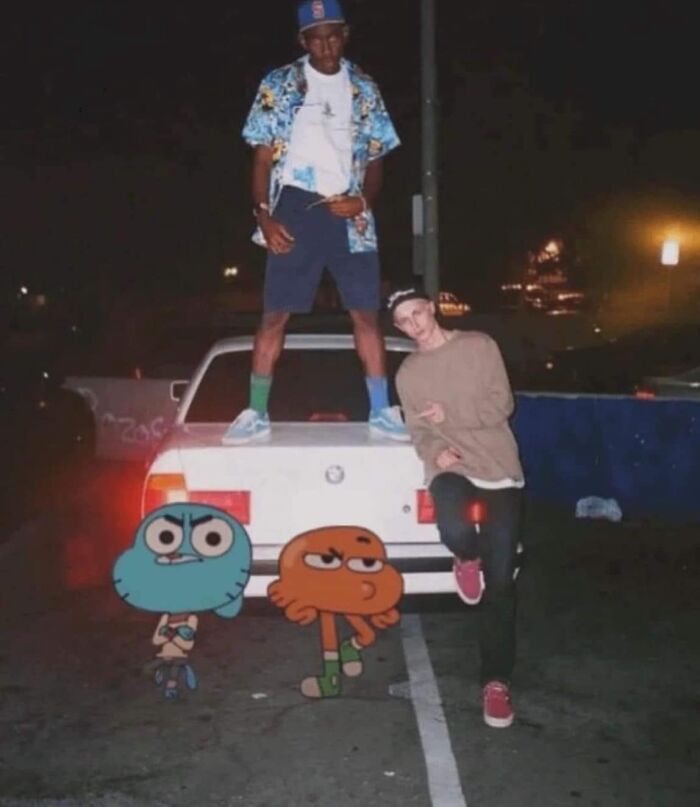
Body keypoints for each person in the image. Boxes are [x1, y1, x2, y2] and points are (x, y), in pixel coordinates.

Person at [223, 0, 408, 444]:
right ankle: (255, 412)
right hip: (295, 207)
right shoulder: (279, 84)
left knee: (366, 314)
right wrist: (264, 215)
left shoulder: (364, 88)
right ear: (303, 41)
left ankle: (382, 411)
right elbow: (262, 157)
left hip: (349, 210)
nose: (326, 46)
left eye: (333, 36)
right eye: (316, 38)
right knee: (274, 314)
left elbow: (377, 159)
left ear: (345, 35)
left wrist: (363, 201)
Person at [389, 287, 525, 729]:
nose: (413, 325)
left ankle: (496, 682)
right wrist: (436, 450)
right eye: (403, 321)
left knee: (500, 584)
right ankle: (466, 556)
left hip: (499, 468)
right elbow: (419, 430)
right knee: (452, 521)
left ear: (431, 308)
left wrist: (450, 416)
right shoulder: (409, 373)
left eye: (416, 313)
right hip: (452, 467)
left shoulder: (479, 346)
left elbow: (501, 405)